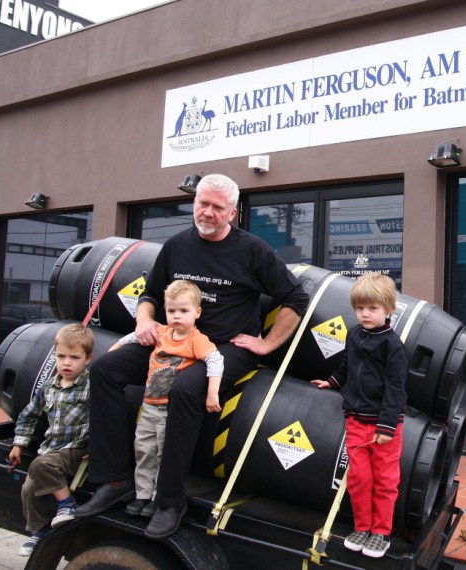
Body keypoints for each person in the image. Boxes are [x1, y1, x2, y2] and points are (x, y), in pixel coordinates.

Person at [75, 173, 309, 539]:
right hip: (172, 344)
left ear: (233, 213)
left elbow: (295, 298)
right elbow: (150, 294)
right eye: (203, 203)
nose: (208, 212)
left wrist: (266, 344)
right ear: (194, 203)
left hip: (223, 350)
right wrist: (144, 321)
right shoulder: (176, 246)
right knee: (105, 369)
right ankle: (115, 479)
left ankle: (169, 501)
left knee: (184, 389)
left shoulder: (252, 250)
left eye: (218, 207)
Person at [311, 272, 407, 559]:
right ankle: (362, 527)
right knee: (359, 479)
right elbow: (347, 366)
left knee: (385, 480)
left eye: (372, 308)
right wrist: (332, 382)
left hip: (384, 427)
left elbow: (396, 388)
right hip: (355, 420)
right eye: (360, 308)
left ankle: (381, 533)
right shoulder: (353, 334)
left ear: (388, 309)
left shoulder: (393, 346)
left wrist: (387, 425)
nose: (365, 314)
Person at [109, 280, 224, 518]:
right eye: (171, 311)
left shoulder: (196, 339)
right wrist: (113, 351)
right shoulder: (162, 333)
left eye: (184, 311)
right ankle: (142, 494)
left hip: (169, 410)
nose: (177, 316)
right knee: (144, 450)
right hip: (149, 406)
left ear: (197, 312)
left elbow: (215, 359)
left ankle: (157, 496)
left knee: (163, 453)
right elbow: (132, 337)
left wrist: (213, 392)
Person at [8, 323, 94, 557]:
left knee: (40, 465)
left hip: (76, 450)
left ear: (87, 359)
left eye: (74, 357)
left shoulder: (89, 386)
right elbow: (28, 415)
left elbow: (104, 418)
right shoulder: (49, 387)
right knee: (29, 488)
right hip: (51, 450)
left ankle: (67, 505)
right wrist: (18, 444)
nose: (66, 363)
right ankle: (38, 533)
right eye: (61, 356)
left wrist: (96, 447)